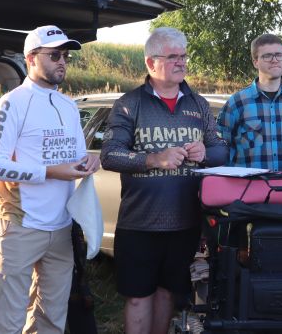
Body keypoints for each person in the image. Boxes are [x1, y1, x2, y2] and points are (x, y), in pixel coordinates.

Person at [100, 27, 228, 334]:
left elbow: (222, 150)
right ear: (150, 63)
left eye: (183, 56)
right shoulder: (130, 104)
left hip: (185, 222)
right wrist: (153, 159)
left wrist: (205, 153)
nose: (182, 62)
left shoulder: (197, 103)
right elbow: (110, 155)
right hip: (140, 223)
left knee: (169, 293)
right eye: (173, 56)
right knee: (137, 297)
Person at [0, 25, 101, 334]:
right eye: (54, 55)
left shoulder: (68, 106)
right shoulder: (11, 104)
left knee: (52, 319)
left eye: (65, 55)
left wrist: (91, 160)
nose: (62, 61)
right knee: (7, 320)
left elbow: (77, 157)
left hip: (62, 227)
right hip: (19, 226)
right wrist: (50, 172)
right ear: (31, 58)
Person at [217, 33, 282, 172]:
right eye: (267, 56)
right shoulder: (237, 103)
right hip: (246, 191)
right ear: (255, 62)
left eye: (279, 55)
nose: (274, 60)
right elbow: (220, 150)